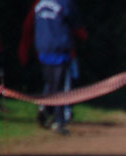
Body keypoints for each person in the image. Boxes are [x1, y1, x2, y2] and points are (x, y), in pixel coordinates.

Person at [29, 0, 85, 134]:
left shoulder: (39, 5)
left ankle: (46, 110)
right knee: (60, 87)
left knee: (50, 84)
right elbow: (77, 27)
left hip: (43, 49)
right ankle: (59, 120)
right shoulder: (65, 4)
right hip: (60, 49)